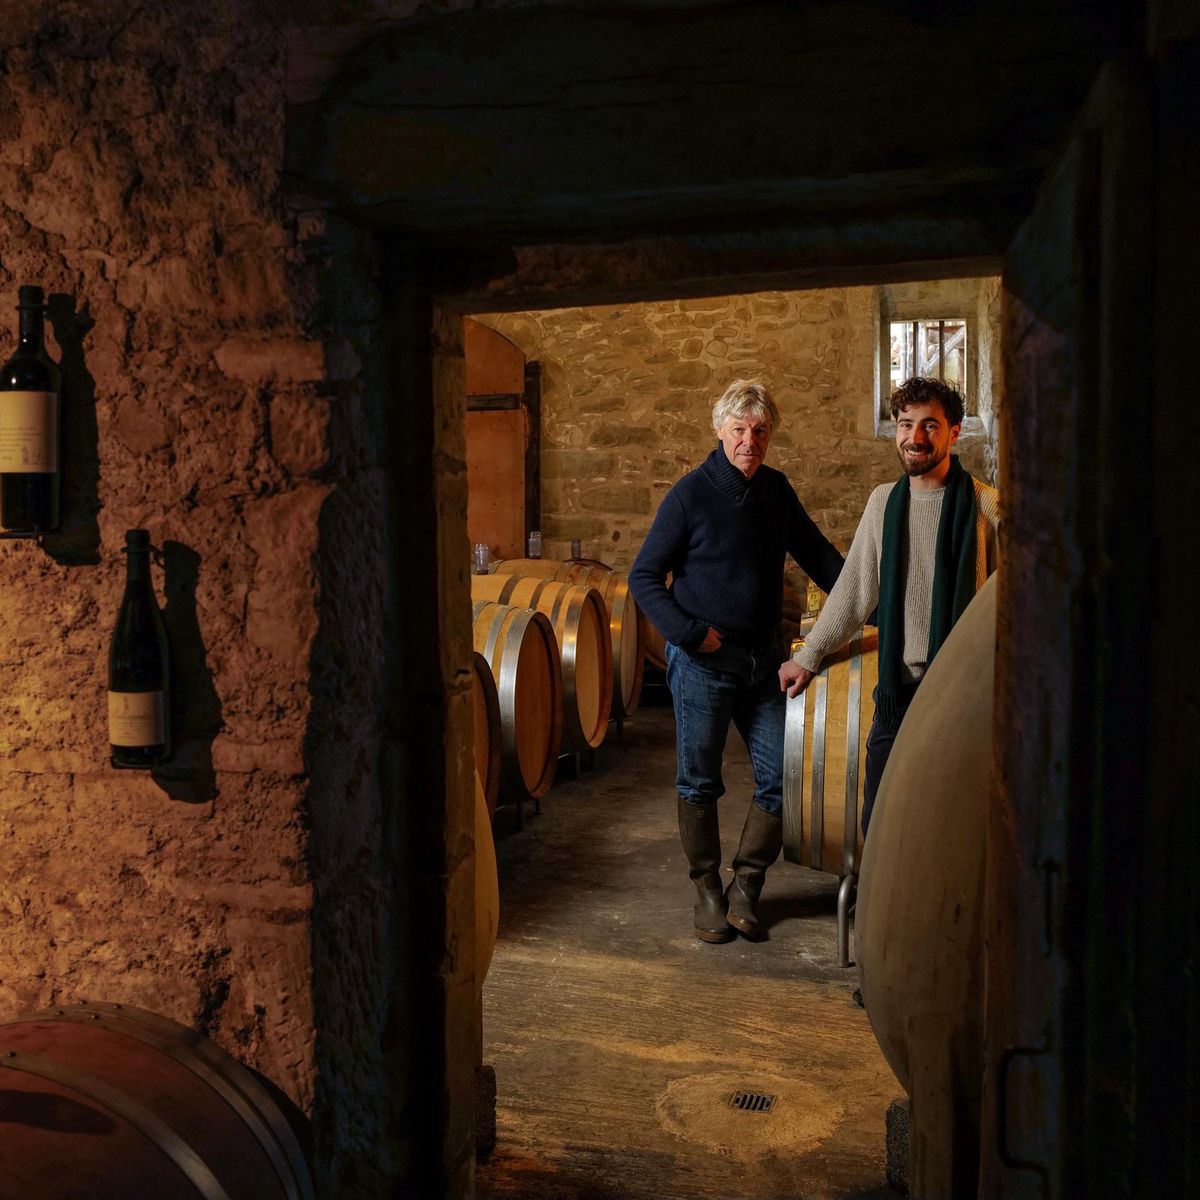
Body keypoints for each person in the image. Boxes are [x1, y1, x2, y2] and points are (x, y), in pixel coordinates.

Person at [629, 379, 843, 943]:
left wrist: (865, 598)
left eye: (760, 431)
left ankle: (746, 884)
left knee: (781, 779)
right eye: (740, 429)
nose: (751, 440)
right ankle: (706, 889)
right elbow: (644, 577)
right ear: (720, 431)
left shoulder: (776, 490)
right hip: (704, 663)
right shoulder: (690, 495)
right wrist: (688, 634)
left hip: (763, 662)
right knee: (699, 781)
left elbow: (821, 557)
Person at [778, 377, 1001, 836]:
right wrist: (809, 654)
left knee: (953, 824)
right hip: (898, 693)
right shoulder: (884, 502)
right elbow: (854, 590)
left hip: (963, 692)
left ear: (954, 432)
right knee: (879, 823)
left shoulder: (985, 505)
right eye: (905, 424)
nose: (915, 437)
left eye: (929, 425)